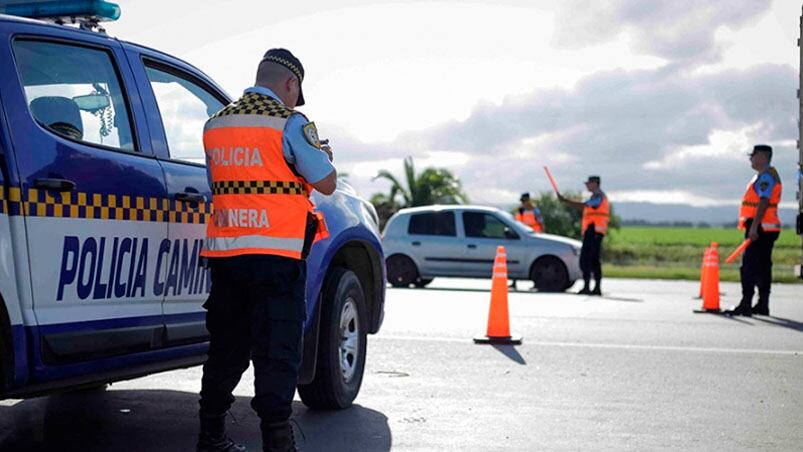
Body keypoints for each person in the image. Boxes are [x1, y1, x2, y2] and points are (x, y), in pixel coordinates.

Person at [197, 48, 337, 452]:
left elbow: (220, 181)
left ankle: (210, 438)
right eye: (296, 92)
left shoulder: (215, 124)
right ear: (290, 84)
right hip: (277, 259)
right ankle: (278, 445)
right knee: (278, 352)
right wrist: (322, 156)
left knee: (225, 350)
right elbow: (325, 182)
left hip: (227, 258)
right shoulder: (288, 122)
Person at [725, 144, 782, 317]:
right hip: (767, 227)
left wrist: (754, 226)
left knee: (749, 267)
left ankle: (746, 304)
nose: (751, 159)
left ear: (763, 157)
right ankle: (762, 304)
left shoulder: (765, 177)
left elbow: (763, 202)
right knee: (763, 267)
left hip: (760, 228)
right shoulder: (767, 175)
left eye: (753, 156)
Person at [558, 176, 609, 296]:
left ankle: (595, 287)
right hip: (590, 231)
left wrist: (566, 201)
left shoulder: (599, 197)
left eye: (589, 183)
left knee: (592, 260)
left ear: (595, 183)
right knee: (587, 260)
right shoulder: (595, 196)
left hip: (595, 231)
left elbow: (585, 205)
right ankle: (588, 286)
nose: (587, 185)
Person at [510, 192, 545, 290]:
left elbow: (541, 223)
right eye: (522, 201)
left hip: (534, 238)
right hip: (521, 238)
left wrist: (542, 235)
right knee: (517, 258)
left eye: (524, 201)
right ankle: (514, 281)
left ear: (528, 201)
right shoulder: (520, 211)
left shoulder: (535, 211)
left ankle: (536, 282)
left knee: (534, 260)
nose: (523, 203)